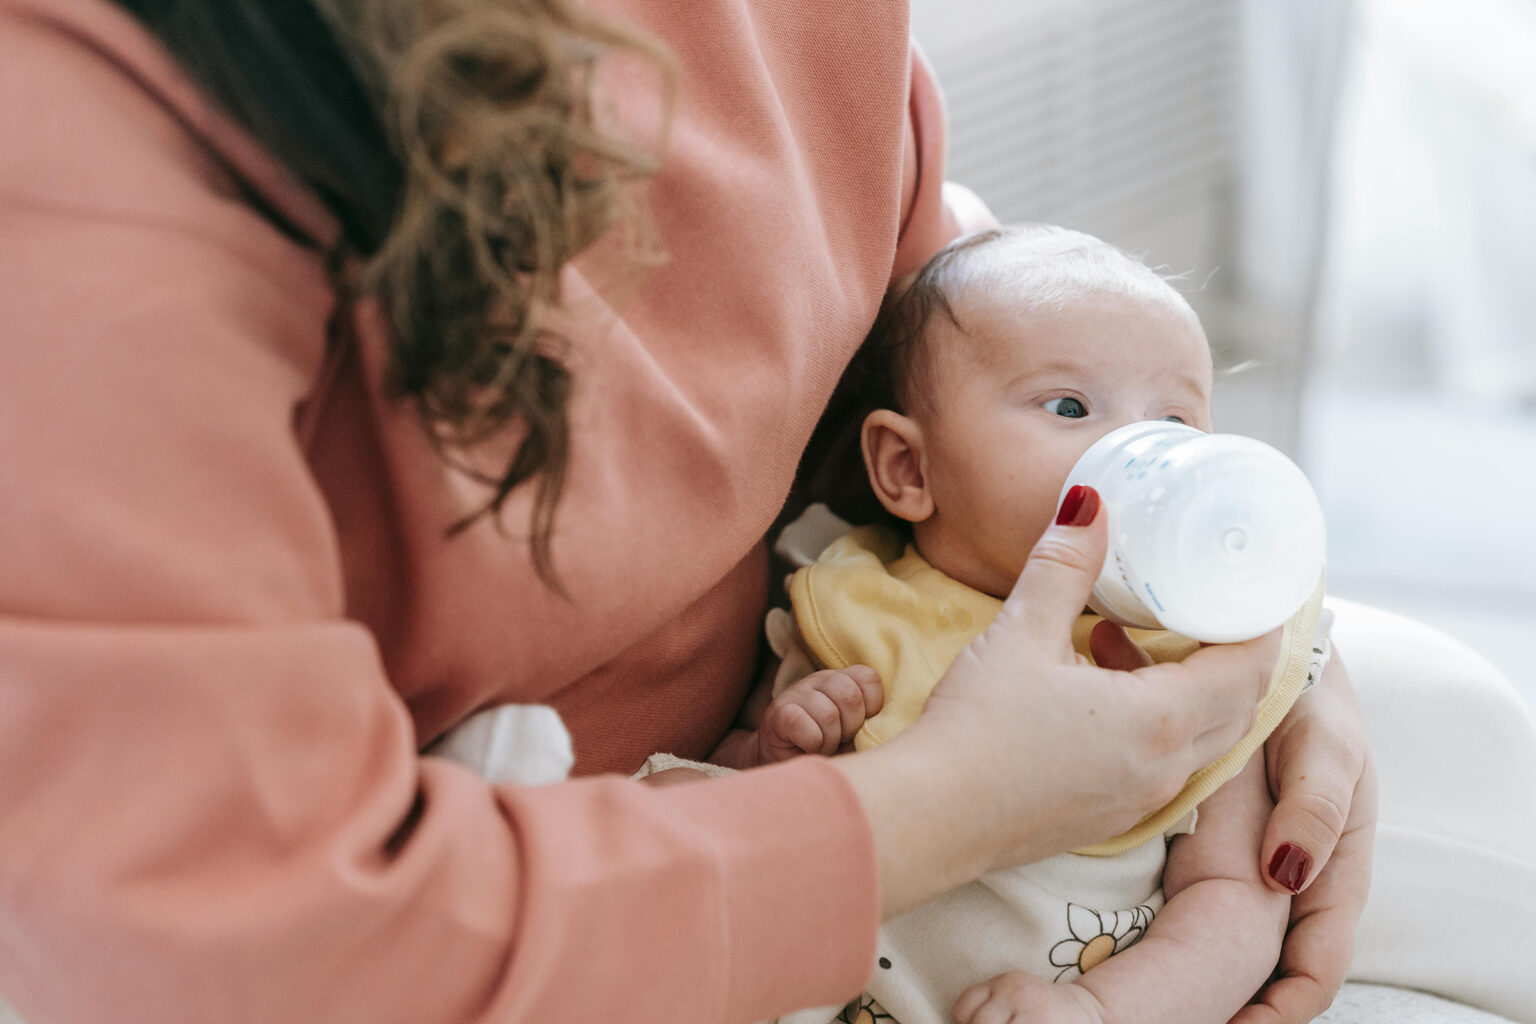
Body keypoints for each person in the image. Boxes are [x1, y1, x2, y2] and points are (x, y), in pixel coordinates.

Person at [0, 2, 1376, 1023]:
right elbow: (242, 932)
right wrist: (948, 805)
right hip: (533, 901)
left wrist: (1222, 588)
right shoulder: (77, 137)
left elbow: (888, 277)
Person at [727, 224, 1333, 1024]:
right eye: (1072, 406)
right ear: (910, 468)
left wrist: (1097, 1007)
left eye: (1175, 424)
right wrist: (774, 754)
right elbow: (727, 804)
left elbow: (1234, 901)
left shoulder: (1194, 666)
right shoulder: (854, 597)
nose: (1135, 451)